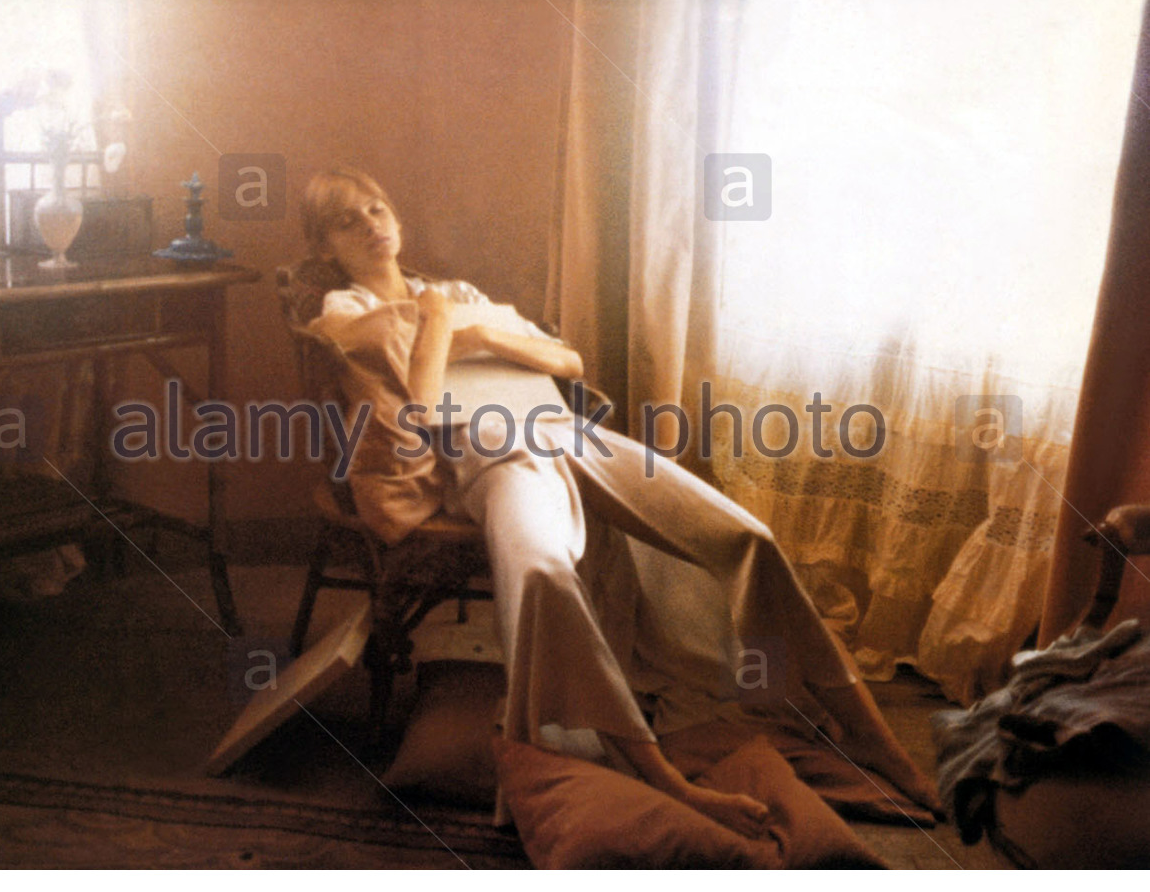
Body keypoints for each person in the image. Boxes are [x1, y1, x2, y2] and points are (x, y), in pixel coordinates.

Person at [299, 167, 940, 834]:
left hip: (565, 432)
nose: (371, 226)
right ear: (324, 247)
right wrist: (435, 320)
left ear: (396, 218)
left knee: (743, 536)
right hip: (495, 459)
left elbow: (567, 362)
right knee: (543, 575)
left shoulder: (460, 294)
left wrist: (482, 334)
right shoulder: (344, 313)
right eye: (348, 221)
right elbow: (425, 404)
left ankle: (868, 734)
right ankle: (662, 775)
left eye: (377, 209)